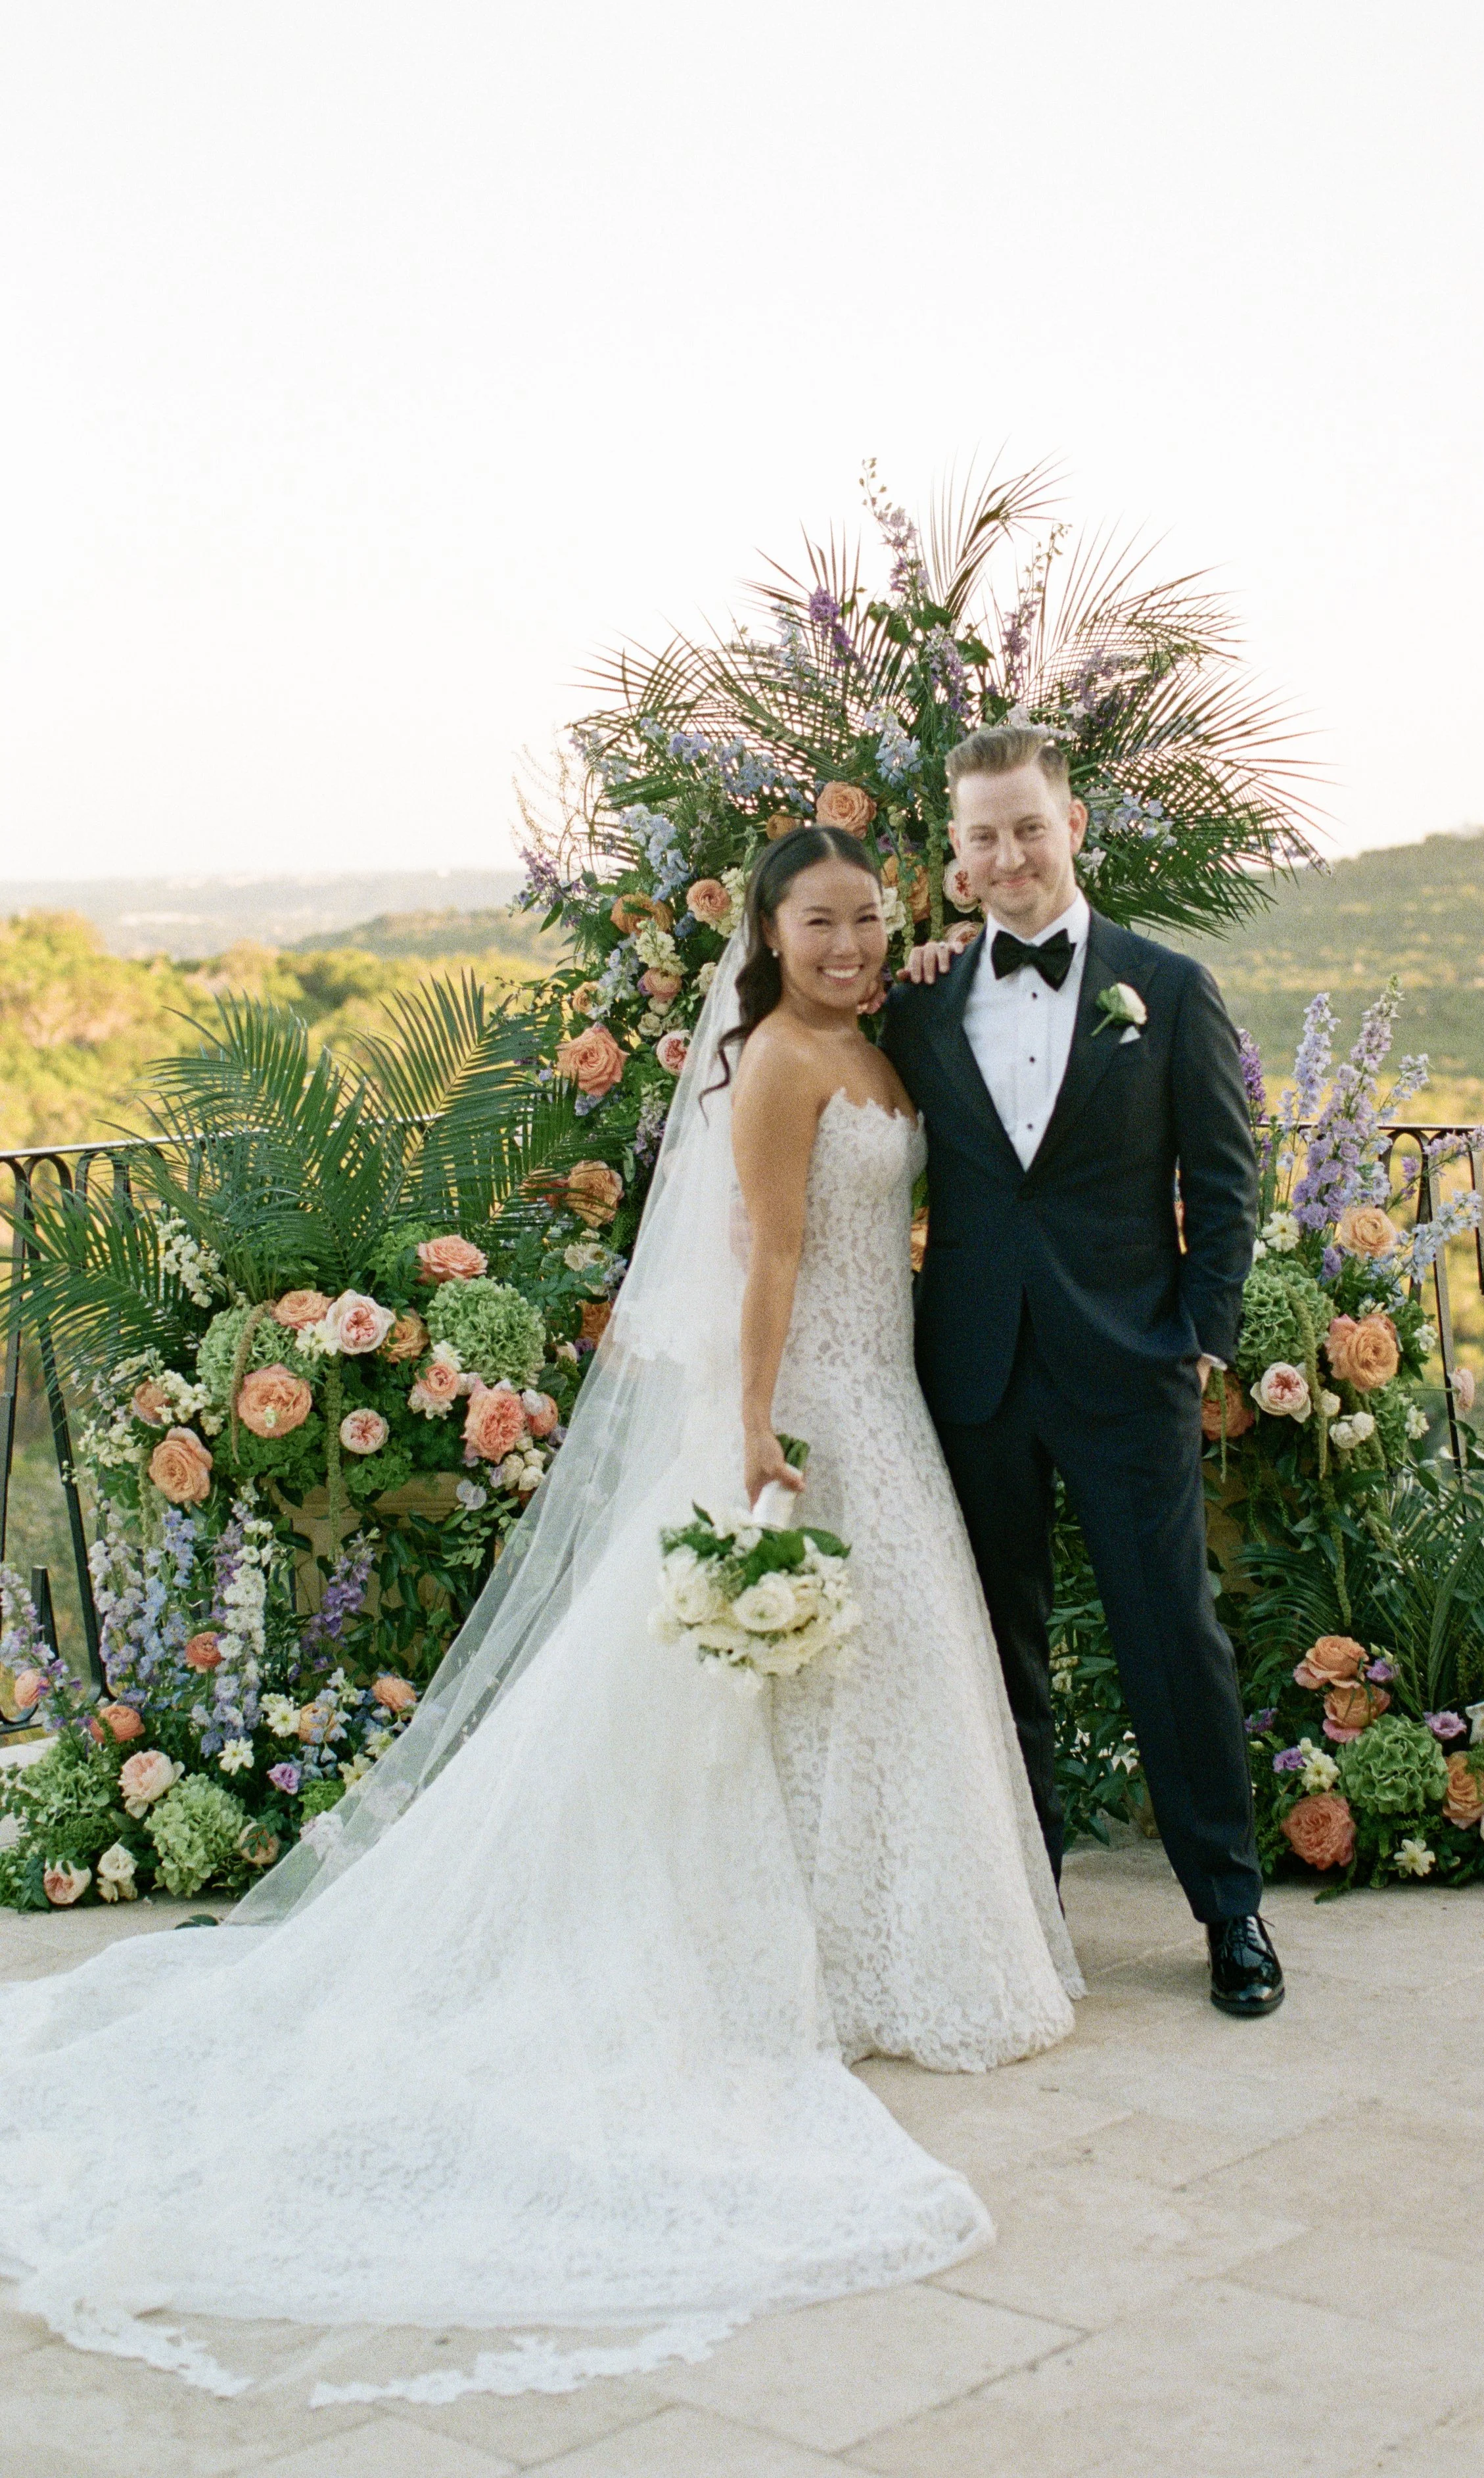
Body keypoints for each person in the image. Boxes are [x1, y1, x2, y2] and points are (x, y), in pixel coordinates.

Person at [0, 825, 1077, 2406]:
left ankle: (874, 1950)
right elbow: (769, 1252)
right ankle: (804, 1963)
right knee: (803, 1671)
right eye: (818, 922)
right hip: (810, 1402)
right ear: (767, 933)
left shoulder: (875, 1039)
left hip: (887, 1394)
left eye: (866, 918)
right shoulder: (781, 1062)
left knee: (882, 1675)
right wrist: (758, 1423)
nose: (848, 943)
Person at [887, 724, 1283, 2019]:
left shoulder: (1166, 987)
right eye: (982, 836)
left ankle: (1228, 1909)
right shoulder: (920, 1001)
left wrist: (1200, 1334)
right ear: (956, 855)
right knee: (994, 1652)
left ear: (1073, 826)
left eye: (1027, 827)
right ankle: (1026, 1909)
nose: (1007, 855)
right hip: (972, 1368)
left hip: (1128, 1368)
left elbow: (1223, 1177)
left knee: (1171, 1637)